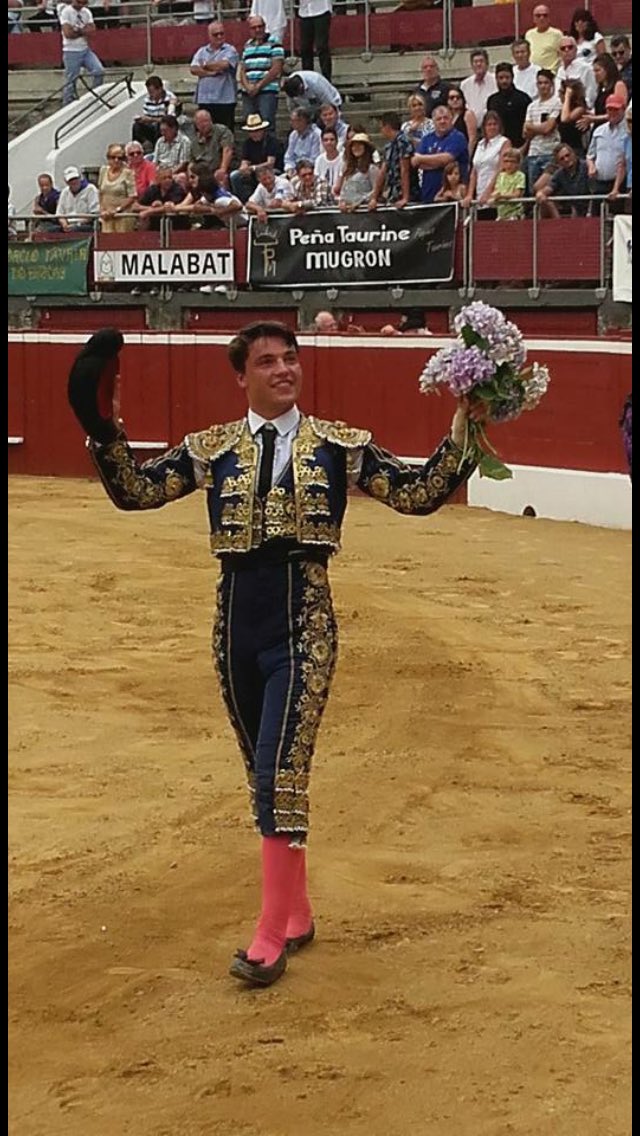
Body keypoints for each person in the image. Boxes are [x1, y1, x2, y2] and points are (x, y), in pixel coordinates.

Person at [66, 321, 480, 987]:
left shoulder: (341, 445)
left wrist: (469, 422)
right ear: (243, 376)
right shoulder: (214, 448)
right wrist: (101, 426)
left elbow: (419, 492)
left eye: (291, 358)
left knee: (278, 772)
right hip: (234, 625)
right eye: (268, 361)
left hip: (304, 620)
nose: (285, 369)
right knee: (264, 778)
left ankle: (267, 937)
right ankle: (297, 912)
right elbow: (135, 491)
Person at [190, 21, 239, 133]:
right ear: (209, 35)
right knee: (203, 131)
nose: (219, 36)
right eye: (216, 34)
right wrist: (210, 73)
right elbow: (193, 69)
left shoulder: (230, 50)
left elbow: (225, 64)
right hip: (205, 99)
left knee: (225, 133)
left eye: (222, 33)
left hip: (225, 100)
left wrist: (206, 65)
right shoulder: (201, 51)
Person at [58, 0, 105, 108]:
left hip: (85, 49)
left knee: (99, 71)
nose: (81, 5)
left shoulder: (86, 12)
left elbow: (92, 30)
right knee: (71, 80)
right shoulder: (66, 11)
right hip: (71, 50)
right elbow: (68, 33)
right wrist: (83, 31)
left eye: (83, 3)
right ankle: (67, 103)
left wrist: (77, 30)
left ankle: (95, 95)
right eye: (79, 2)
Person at [298, 0, 333, 82]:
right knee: (305, 48)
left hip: (321, 10)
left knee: (321, 47)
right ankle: (307, 79)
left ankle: (327, 79)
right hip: (304, 12)